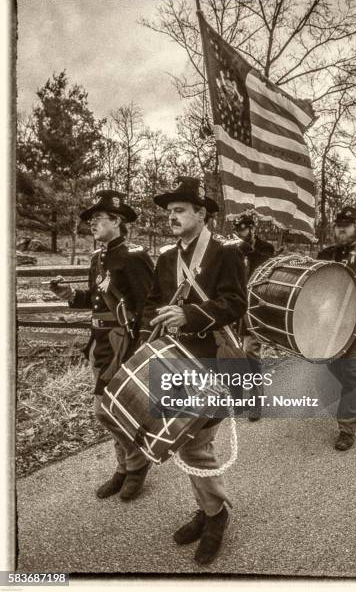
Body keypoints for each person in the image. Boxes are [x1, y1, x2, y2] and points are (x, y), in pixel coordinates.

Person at [139, 175, 247, 565]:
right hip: (173, 359)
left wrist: (189, 314)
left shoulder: (225, 252)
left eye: (179, 209)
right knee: (185, 440)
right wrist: (160, 318)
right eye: (169, 211)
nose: (171, 216)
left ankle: (216, 516)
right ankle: (206, 510)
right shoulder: (166, 258)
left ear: (201, 213)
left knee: (196, 444)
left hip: (212, 359)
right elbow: (152, 302)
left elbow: (235, 304)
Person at [49, 189, 154, 499]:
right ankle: (124, 467)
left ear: (117, 221)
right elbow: (95, 301)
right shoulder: (98, 257)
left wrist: (141, 349)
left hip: (125, 345)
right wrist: (68, 295)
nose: (92, 224)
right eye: (91, 219)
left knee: (105, 411)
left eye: (98, 219)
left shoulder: (134, 256)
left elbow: (148, 305)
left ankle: (135, 465)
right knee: (112, 411)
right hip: (100, 344)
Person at [317, 206, 356, 451]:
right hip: (336, 325)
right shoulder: (326, 255)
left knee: (354, 373)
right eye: (338, 226)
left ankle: (347, 428)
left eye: (346, 226)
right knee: (332, 363)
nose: (341, 230)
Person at [232, 212, 275, 421]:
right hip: (234, 309)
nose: (240, 233)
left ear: (252, 228)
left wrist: (249, 250)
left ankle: (256, 401)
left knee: (250, 352)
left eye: (243, 229)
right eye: (237, 230)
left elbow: (267, 272)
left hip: (256, 309)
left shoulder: (265, 248)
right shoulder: (232, 250)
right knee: (234, 354)